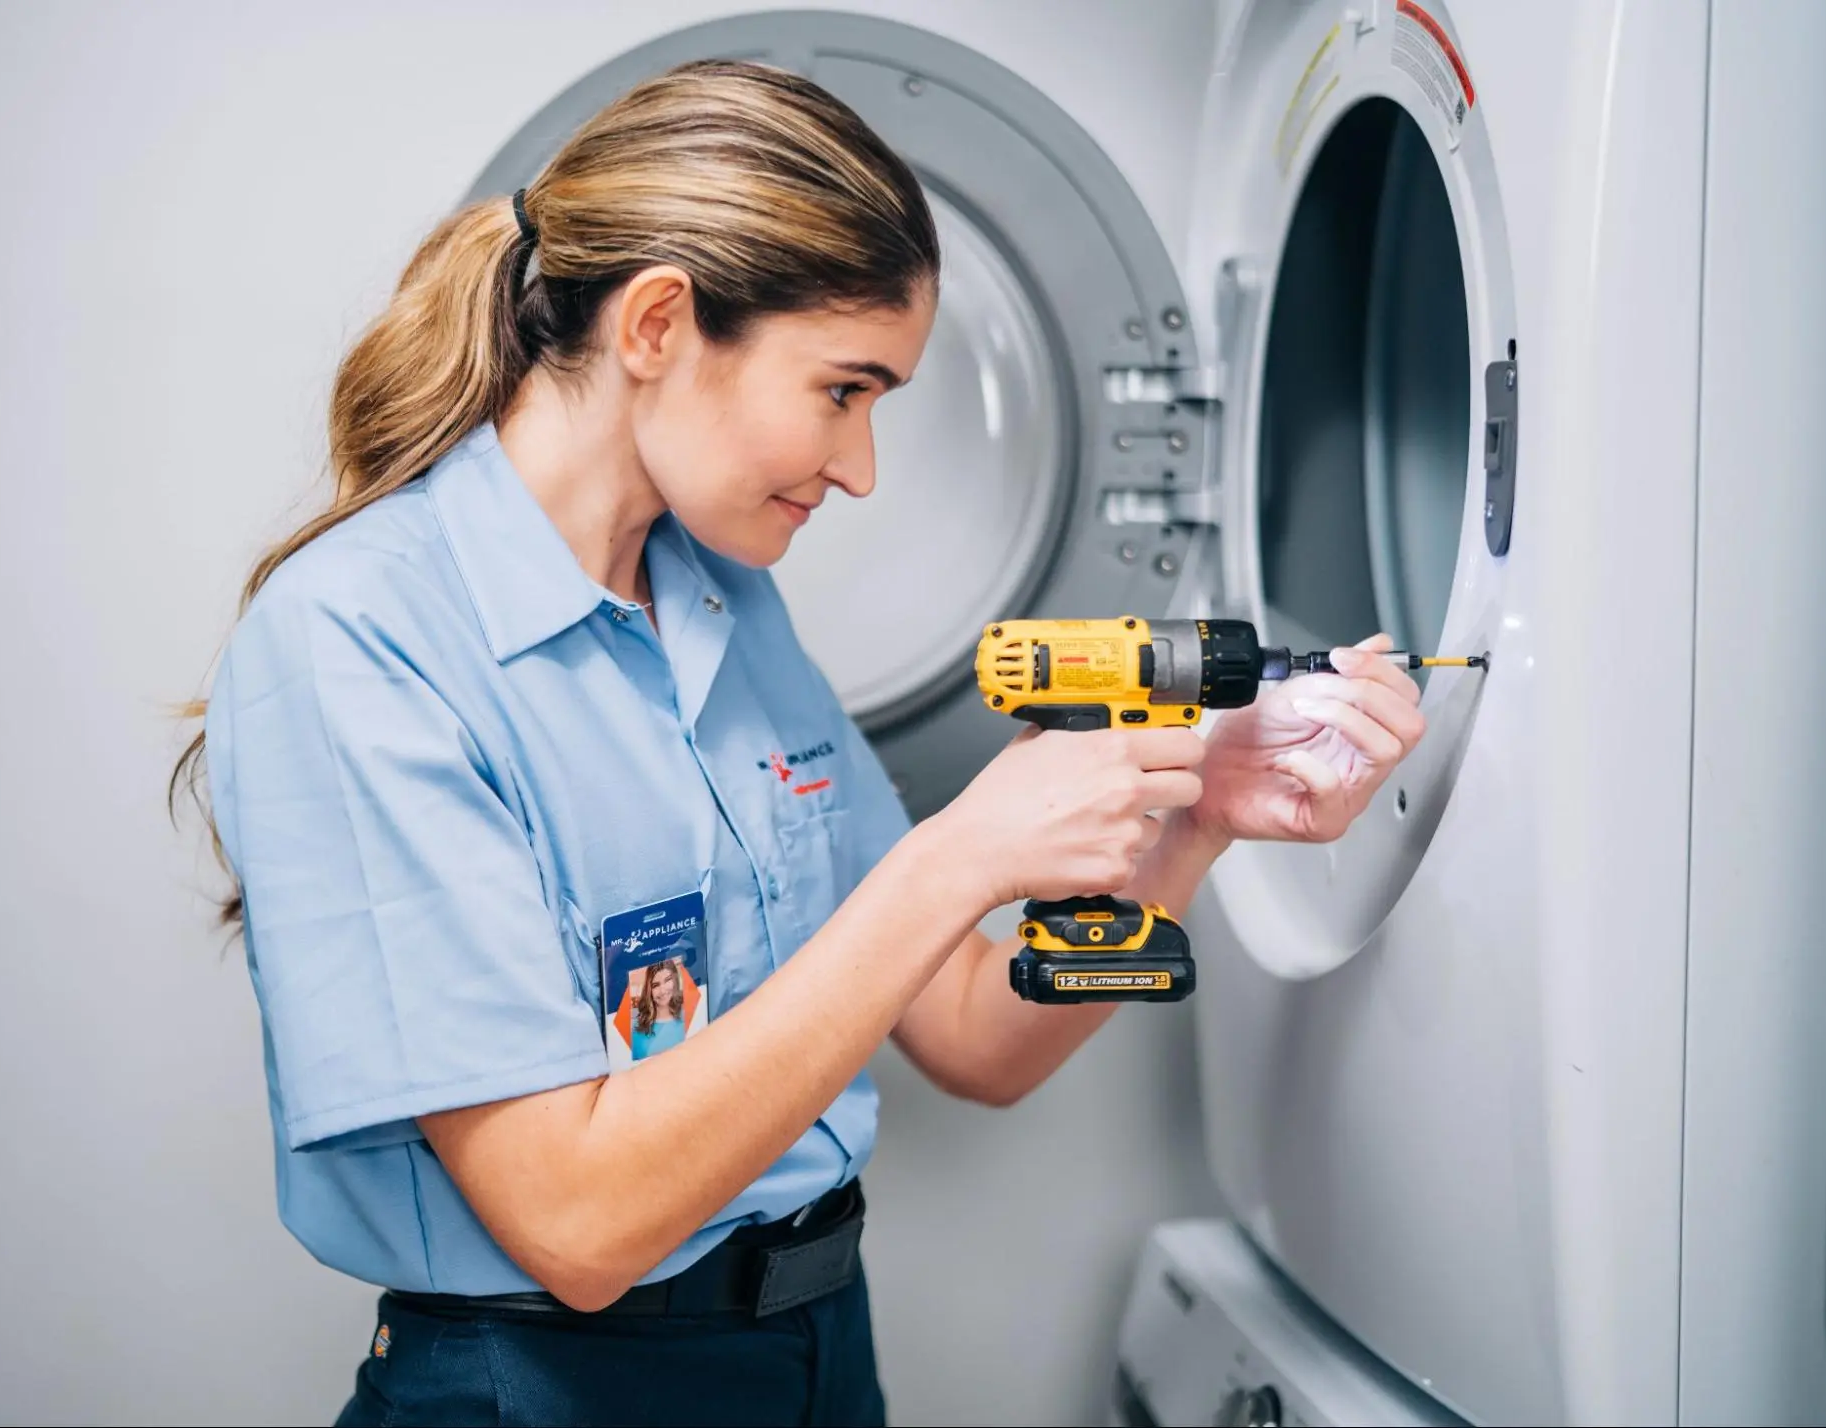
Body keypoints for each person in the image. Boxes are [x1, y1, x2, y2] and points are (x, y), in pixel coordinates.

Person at [170, 59, 1427, 1428]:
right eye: (843, 390)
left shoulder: (720, 602)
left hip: (816, 1349)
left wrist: (1193, 811)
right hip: (551, 1385)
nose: (861, 465)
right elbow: (577, 1227)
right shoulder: (360, 639)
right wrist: (951, 860)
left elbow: (973, 1037)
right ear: (658, 322)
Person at [632, 961, 687, 1060]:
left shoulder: (689, 1016)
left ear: (675, 981)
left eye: (667, 980)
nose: (663, 991)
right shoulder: (636, 1029)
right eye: (656, 985)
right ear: (649, 990)